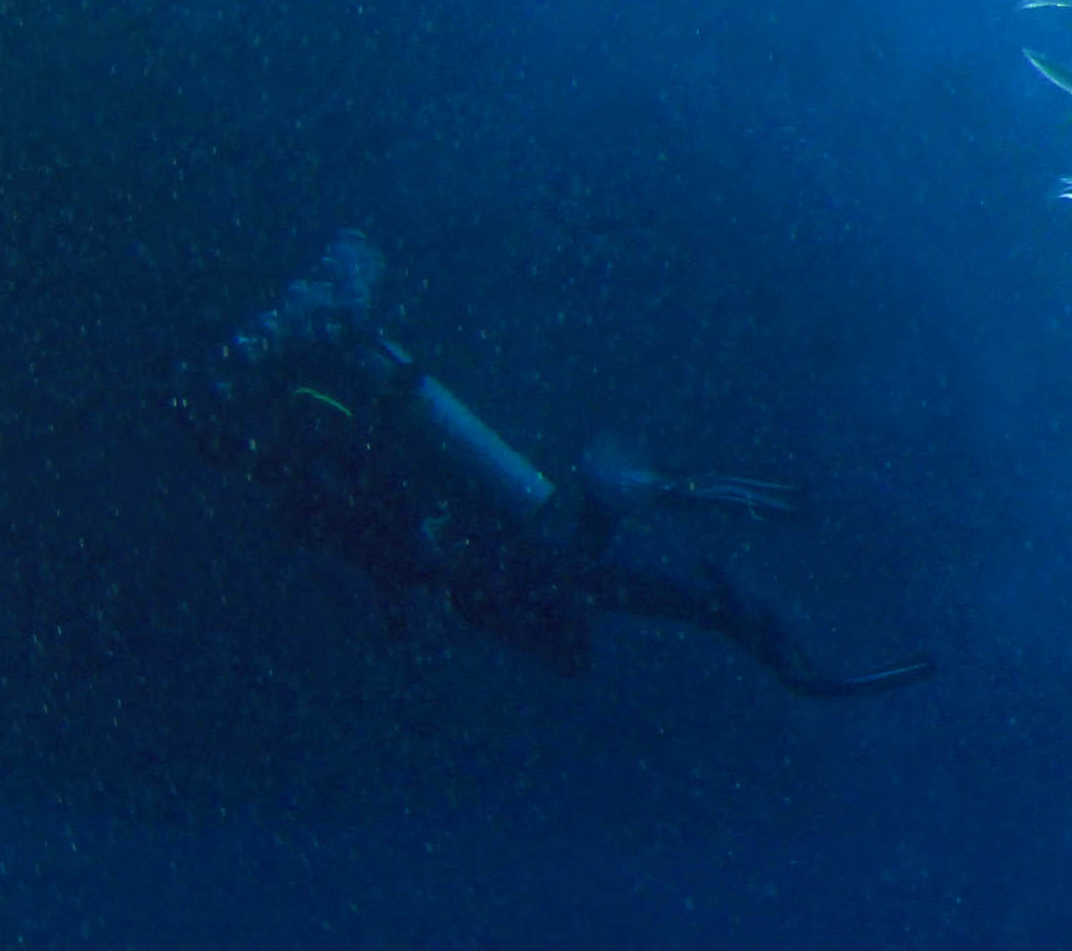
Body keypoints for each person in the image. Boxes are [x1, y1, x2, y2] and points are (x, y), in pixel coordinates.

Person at [179, 233, 926, 695]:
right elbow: (372, 509)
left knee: (625, 581)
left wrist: (413, 567)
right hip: (492, 545)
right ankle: (676, 505)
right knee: (616, 577)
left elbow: (370, 500)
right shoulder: (300, 433)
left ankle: (688, 520)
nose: (230, 459)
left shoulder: (295, 446)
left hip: (491, 549)